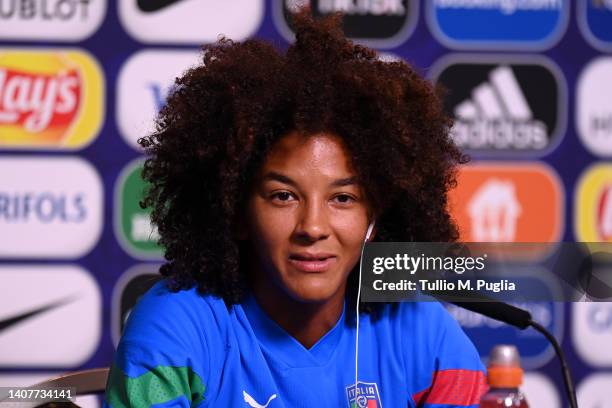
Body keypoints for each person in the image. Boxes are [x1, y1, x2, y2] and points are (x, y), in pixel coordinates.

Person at [104, 9, 488, 408]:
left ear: (375, 219)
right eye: (283, 196)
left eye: (343, 198)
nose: (313, 226)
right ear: (236, 212)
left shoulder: (423, 333)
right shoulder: (178, 327)